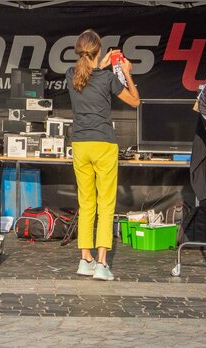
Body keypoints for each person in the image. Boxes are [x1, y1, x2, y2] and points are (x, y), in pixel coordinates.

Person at [66, 30, 140, 281]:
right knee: (105, 206)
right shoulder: (108, 78)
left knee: (86, 204)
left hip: (80, 145)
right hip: (103, 144)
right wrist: (126, 72)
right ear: (98, 51)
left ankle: (84, 260)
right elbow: (134, 101)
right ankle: (102, 263)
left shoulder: (70, 76)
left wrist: (101, 64)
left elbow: (89, 73)